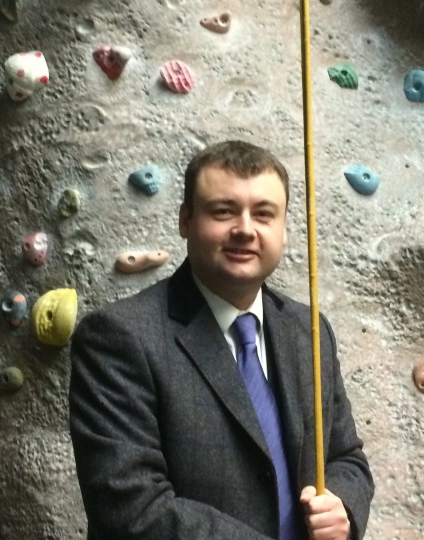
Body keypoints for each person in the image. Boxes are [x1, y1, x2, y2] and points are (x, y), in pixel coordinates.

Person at [69, 140, 374, 540]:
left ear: (283, 231)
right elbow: (132, 509)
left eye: (264, 214)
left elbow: (345, 458)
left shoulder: (309, 331)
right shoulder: (118, 338)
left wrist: (343, 508)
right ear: (185, 221)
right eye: (223, 211)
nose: (245, 229)